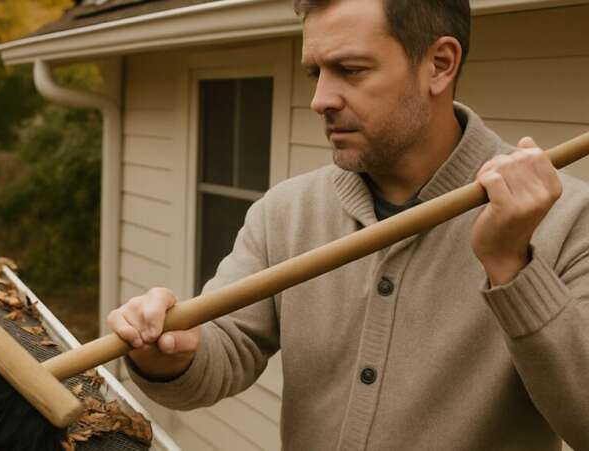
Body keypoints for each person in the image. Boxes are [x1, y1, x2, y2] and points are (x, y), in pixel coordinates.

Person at [107, 0, 589, 449]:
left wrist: (511, 265)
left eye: (350, 70)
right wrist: (170, 353)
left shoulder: (568, 218)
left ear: (440, 64)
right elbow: (226, 348)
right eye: (315, 72)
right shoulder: (286, 212)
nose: (320, 99)